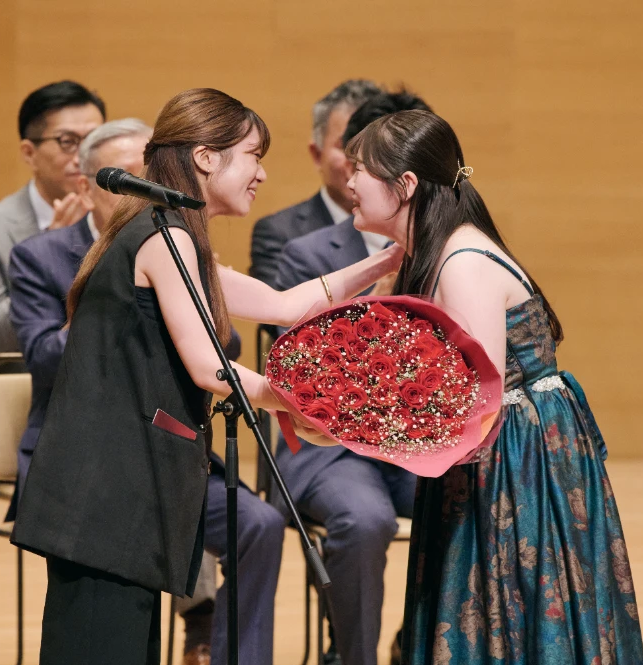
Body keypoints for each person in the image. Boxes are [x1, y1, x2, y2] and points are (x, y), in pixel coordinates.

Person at [11, 87, 404, 664]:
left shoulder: (168, 231)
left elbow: (284, 304)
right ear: (204, 157)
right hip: (105, 494)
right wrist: (302, 404)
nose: (261, 174)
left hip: (125, 491)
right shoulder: (164, 235)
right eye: (252, 156)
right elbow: (209, 366)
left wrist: (387, 259)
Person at [342, 110, 643, 664]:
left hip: (513, 460)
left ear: (404, 185)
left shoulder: (462, 262)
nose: (349, 182)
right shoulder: (433, 254)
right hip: (493, 452)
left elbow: (472, 399)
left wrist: (357, 421)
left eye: (358, 168)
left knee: (507, 612)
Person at [7, 118, 246, 665]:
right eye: (130, 175)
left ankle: (213, 633)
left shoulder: (174, 240)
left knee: (254, 525)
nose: (145, 184)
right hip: (99, 464)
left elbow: (239, 334)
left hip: (155, 452)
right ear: (90, 185)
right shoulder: (118, 245)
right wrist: (104, 312)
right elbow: (42, 356)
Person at [271, 89, 433, 665]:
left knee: (480, 497)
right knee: (365, 520)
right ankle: (351, 655)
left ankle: (426, 642)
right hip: (329, 445)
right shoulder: (305, 255)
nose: (354, 176)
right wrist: (379, 305)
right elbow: (302, 374)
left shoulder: (446, 253)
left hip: (414, 440)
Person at [0, 80, 105, 494]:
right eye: (68, 141)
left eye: (94, 139)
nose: (82, 155)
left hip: (105, 399)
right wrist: (50, 253)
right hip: (22, 404)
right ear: (29, 152)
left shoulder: (126, 220)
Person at [249, 79, 382, 289]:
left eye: (374, 148)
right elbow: (276, 310)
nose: (359, 161)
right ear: (317, 154)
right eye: (347, 146)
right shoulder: (281, 233)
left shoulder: (412, 226)